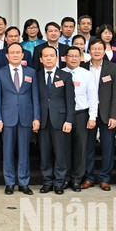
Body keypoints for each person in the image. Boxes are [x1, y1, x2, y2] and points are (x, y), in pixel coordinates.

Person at [0, 42, 40, 195]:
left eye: (18, 52)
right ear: (7, 55)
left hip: (26, 117)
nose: (15, 55)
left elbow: (35, 97)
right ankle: (9, 182)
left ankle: (24, 182)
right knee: (7, 151)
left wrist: (36, 118)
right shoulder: (0, 73)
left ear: (22, 55)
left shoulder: (31, 72)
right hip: (7, 118)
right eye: (12, 52)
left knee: (24, 152)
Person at [81, 37, 116, 191]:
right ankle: (89, 177)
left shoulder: (113, 68)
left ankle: (105, 178)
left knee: (108, 147)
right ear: (89, 51)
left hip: (107, 113)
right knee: (88, 147)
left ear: (104, 51)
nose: (97, 51)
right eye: (94, 49)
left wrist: (114, 116)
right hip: (87, 114)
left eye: (100, 48)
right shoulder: (83, 67)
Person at [36, 46, 74, 195]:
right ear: (41, 59)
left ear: (57, 58)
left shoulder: (65, 76)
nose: (49, 58)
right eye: (46, 56)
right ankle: (47, 182)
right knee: (44, 154)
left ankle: (59, 182)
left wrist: (69, 120)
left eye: (52, 55)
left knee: (60, 153)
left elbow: (70, 101)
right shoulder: (36, 75)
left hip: (60, 120)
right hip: (43, 121)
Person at [64, 45, 97, 192]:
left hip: (81, 115)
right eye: (70, 56)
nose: (73, 58)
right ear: (64, 58)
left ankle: (77, 179)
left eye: (76, 56)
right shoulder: (60, 73)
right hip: (64, 116)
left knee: (80, 148)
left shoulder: (86, 74)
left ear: (81, 58)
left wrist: (92, 117)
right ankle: (64, 178)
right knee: (64, 148)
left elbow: (93, 98)